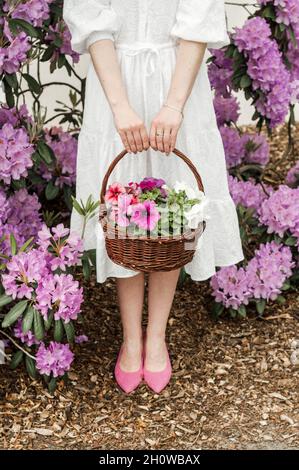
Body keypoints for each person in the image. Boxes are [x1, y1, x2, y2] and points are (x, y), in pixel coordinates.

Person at [63, 0, 244, 394]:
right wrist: (121, 107)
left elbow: (198, 20)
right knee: (121, 210)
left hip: (179, 79)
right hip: (114, 82)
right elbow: (92, 20)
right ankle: (131, 337)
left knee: (173, 210)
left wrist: (174, 106)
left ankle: (156, 335)